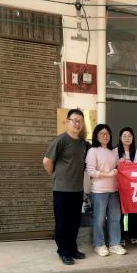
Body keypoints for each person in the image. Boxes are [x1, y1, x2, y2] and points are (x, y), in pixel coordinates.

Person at [42, 109, 89, 265]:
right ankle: (63, 252)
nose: (77, 124)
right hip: (62, 190)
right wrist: (55, 175)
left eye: (80, 121)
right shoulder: (61, 140)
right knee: (62, 222)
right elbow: (46, 161)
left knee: (75, 222)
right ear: (68, 121)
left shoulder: (83, 143)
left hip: (77, 190)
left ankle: (72, 248)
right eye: (74, 120)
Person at [86, 124, 127, 257]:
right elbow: (91, 171)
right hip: (99, 191)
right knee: (99, 219)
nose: (105, 136)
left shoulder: (112, 152)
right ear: (96, 136)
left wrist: (121, 163)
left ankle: (114, 243)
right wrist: (108, 174)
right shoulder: (93, 151)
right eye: (101, 134)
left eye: (107, 133)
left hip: (114, 189)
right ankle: (99, 244)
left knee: (115, 218)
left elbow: (117, 169)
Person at [114, 127, 137, 245]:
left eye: (129, 136)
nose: (127, 138)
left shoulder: (136, 151)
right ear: (120, 138)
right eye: (124, 136)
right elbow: (111, 167)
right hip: (119, 186)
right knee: (120, 212)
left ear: (133, 138)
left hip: (133, 187)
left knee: (133, 211)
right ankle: (121, 236)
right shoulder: (115, 151)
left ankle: (133, 234)